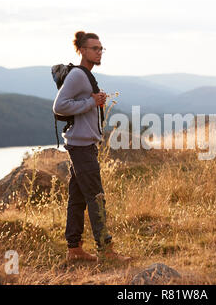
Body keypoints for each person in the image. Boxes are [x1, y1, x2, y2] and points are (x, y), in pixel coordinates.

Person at [53, 31, 131, 263]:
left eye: (100, 48)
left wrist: (93, 102)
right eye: (94, 48)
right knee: (96, 197)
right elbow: (59, 106)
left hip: (83, 145)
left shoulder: (85, 75)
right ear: (82, 51)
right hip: (81, 147)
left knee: (77, 199)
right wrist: (91, 102)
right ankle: (106, 250)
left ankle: (74, 249)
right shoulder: (78, 75)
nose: (99, 52)